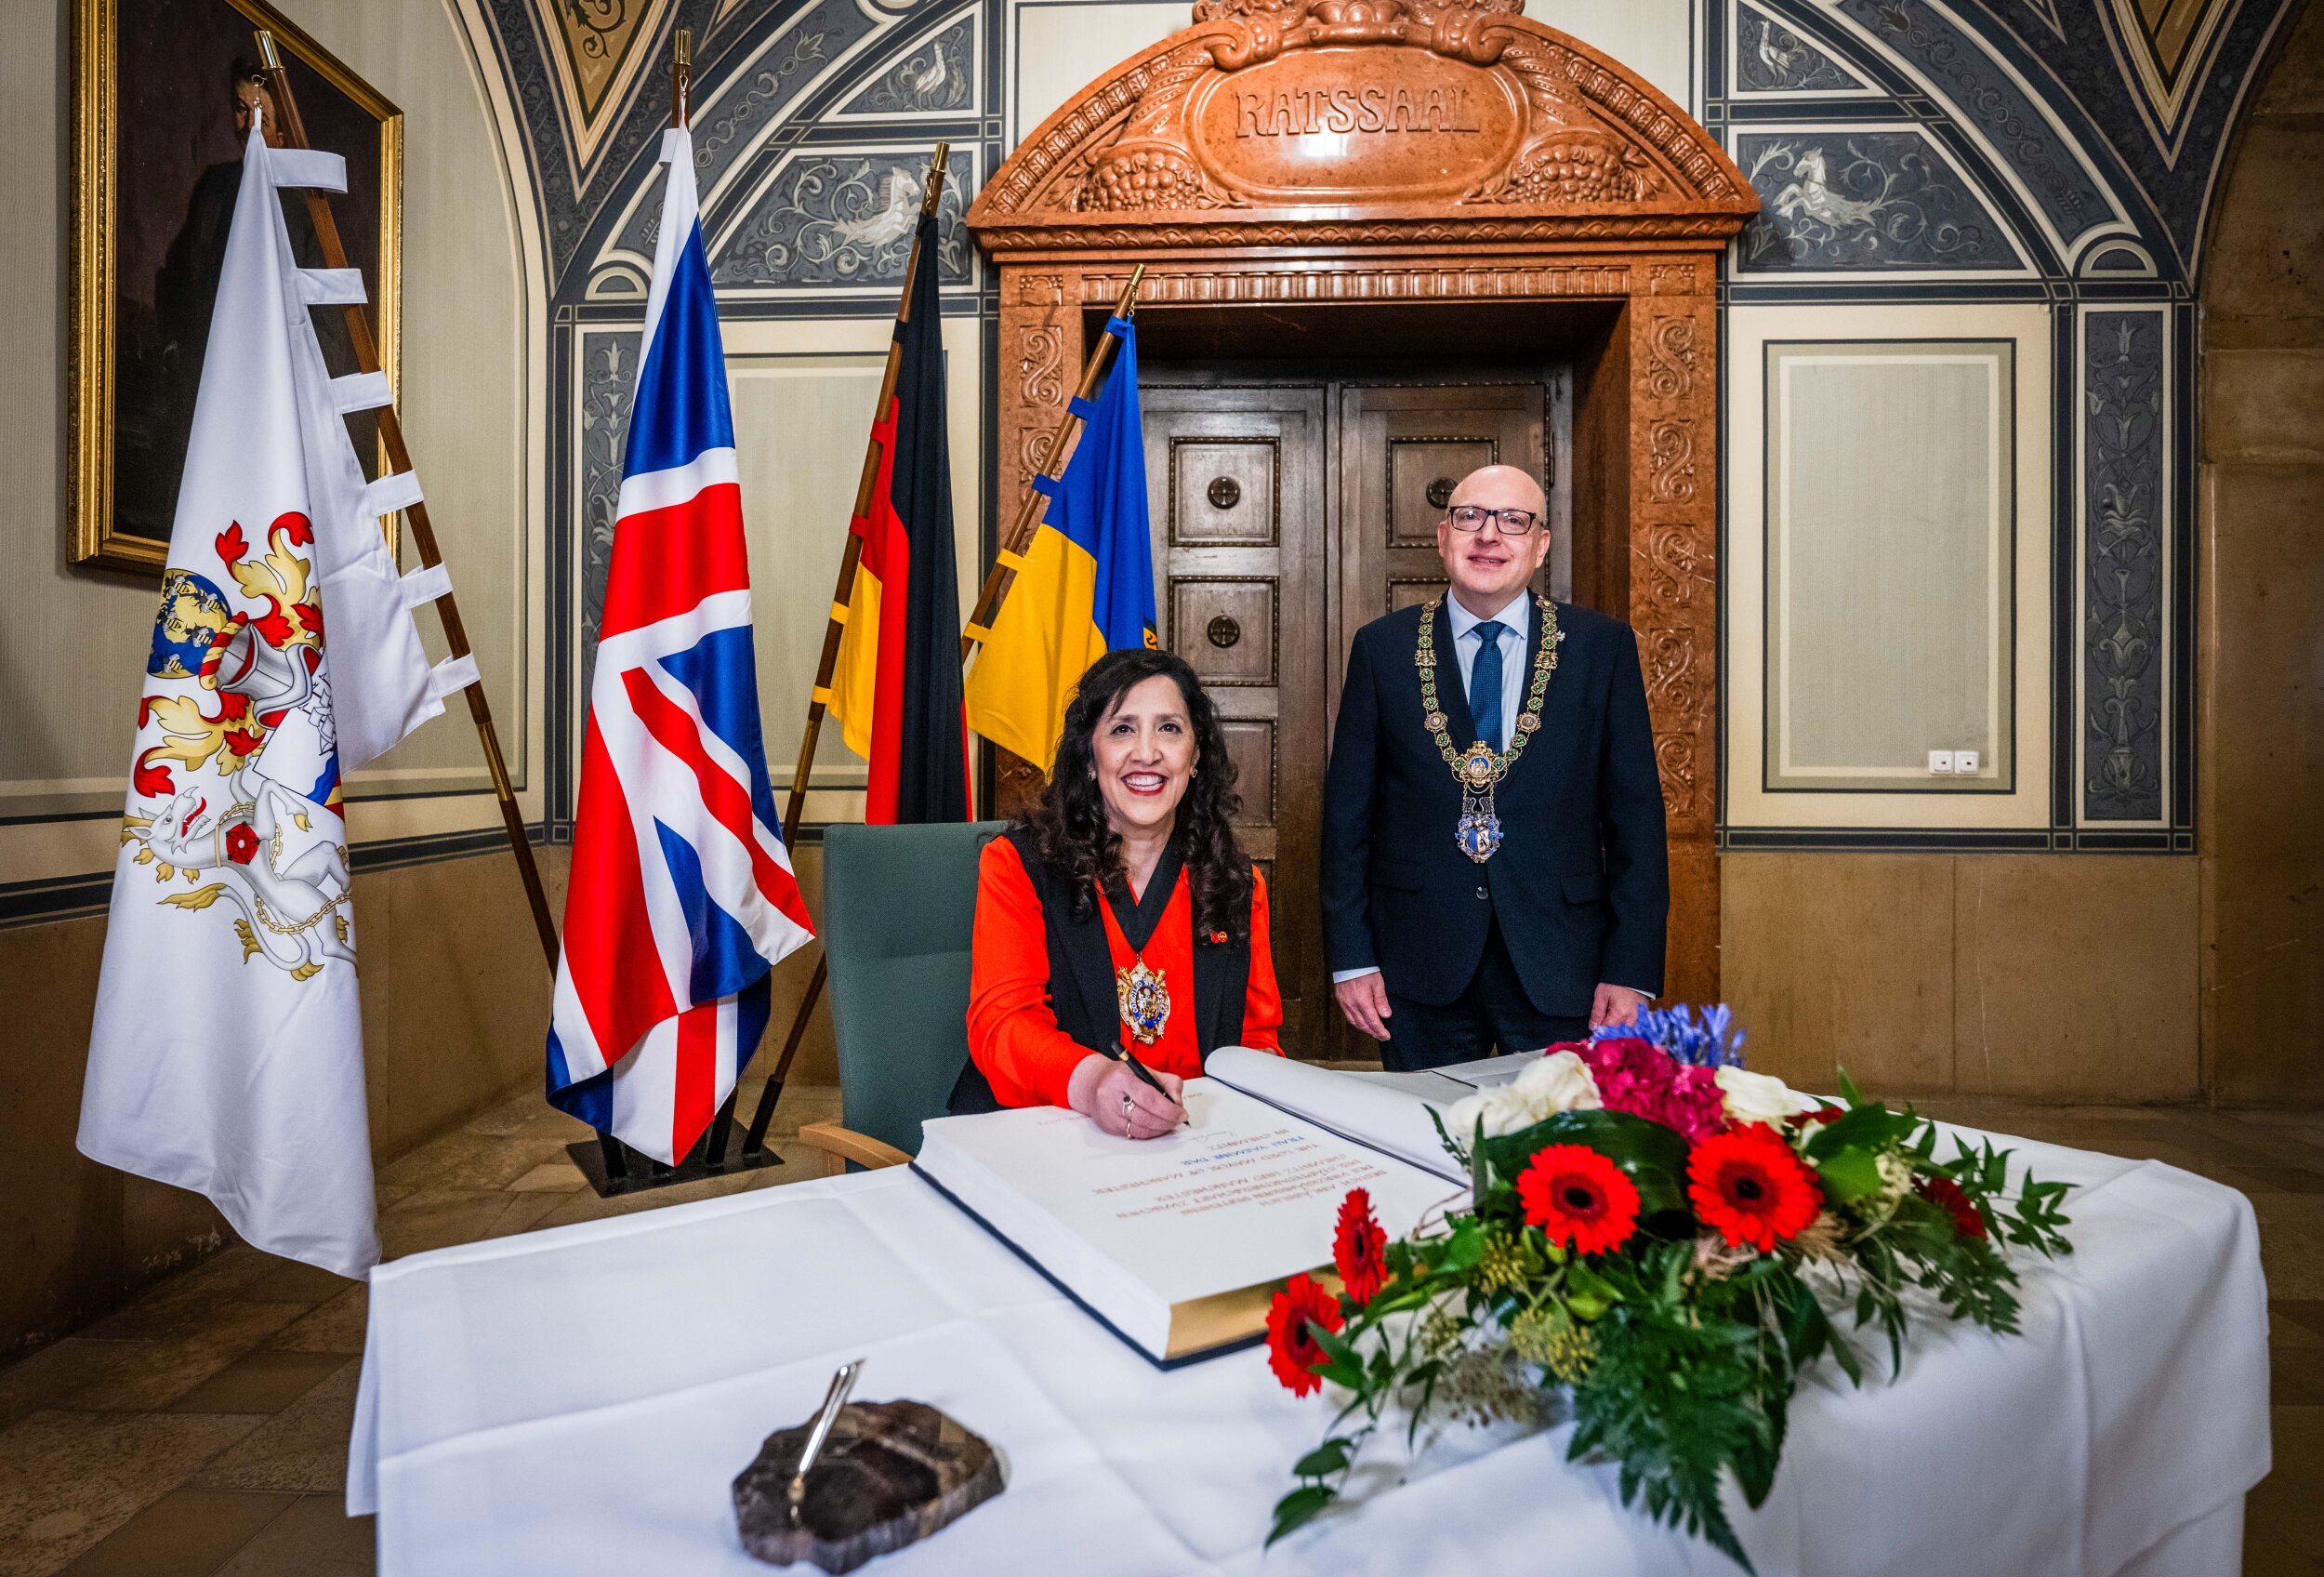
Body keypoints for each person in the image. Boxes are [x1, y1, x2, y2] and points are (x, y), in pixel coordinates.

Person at [1321, 464, 1668, 1070]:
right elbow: (1347, 818)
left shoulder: (1600, 649)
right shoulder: (1383, 648)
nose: (1489, 535)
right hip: (1416, 964)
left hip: (1564, 964)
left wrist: (1631, 970)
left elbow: (1637, 823)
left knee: (1554, 1156)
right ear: (1441, 538)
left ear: (1540, 545)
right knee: (1422, 1140)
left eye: (1513, 520)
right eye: (1470, 517)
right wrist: (1353, 956)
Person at [952, 647, 1284, 1136]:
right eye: (1122, 729)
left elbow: (1255, 1043)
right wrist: (1093, 1083)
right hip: (1043, 1142)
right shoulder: (1017, 865)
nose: (1146, 752)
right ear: (1089, 756)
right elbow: (1003, 1024)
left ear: (1194, 757)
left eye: (1169, 728)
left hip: (1187, 1151)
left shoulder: (1237, 885)